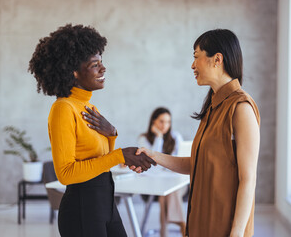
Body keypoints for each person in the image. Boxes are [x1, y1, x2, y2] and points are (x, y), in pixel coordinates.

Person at [28, 24, 156, 237]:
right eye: (95, 65)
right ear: (74, 72)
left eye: (101, 62)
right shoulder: (63, 108)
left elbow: (101, 160)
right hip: (82, 210)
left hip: (105, 203)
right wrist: (118, 155)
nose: (103, 69)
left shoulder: (89, 108)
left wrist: (112, 134)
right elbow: (66, 174)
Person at [135, 29, 260, 237]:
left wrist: (236, 233)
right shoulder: (212, 108)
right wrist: (154, 156)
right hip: (200, 220)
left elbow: (248, 179)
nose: (193, 65)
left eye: (196, 57)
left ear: (217, 59)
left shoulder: (241, 107)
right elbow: (197, 164)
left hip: (224, 226)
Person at [138, 107, 186, 237]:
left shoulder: (176, 137)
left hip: (177, 184)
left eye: (168, 122)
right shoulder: (144, 139)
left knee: (170, 191)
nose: (165, 125)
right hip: (155, 184)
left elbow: (179, 165)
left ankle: (165, 232)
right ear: (153, 121)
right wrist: (158, 138)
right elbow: (153, 167)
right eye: (161, 121)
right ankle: (182, 225)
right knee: (165, 195)